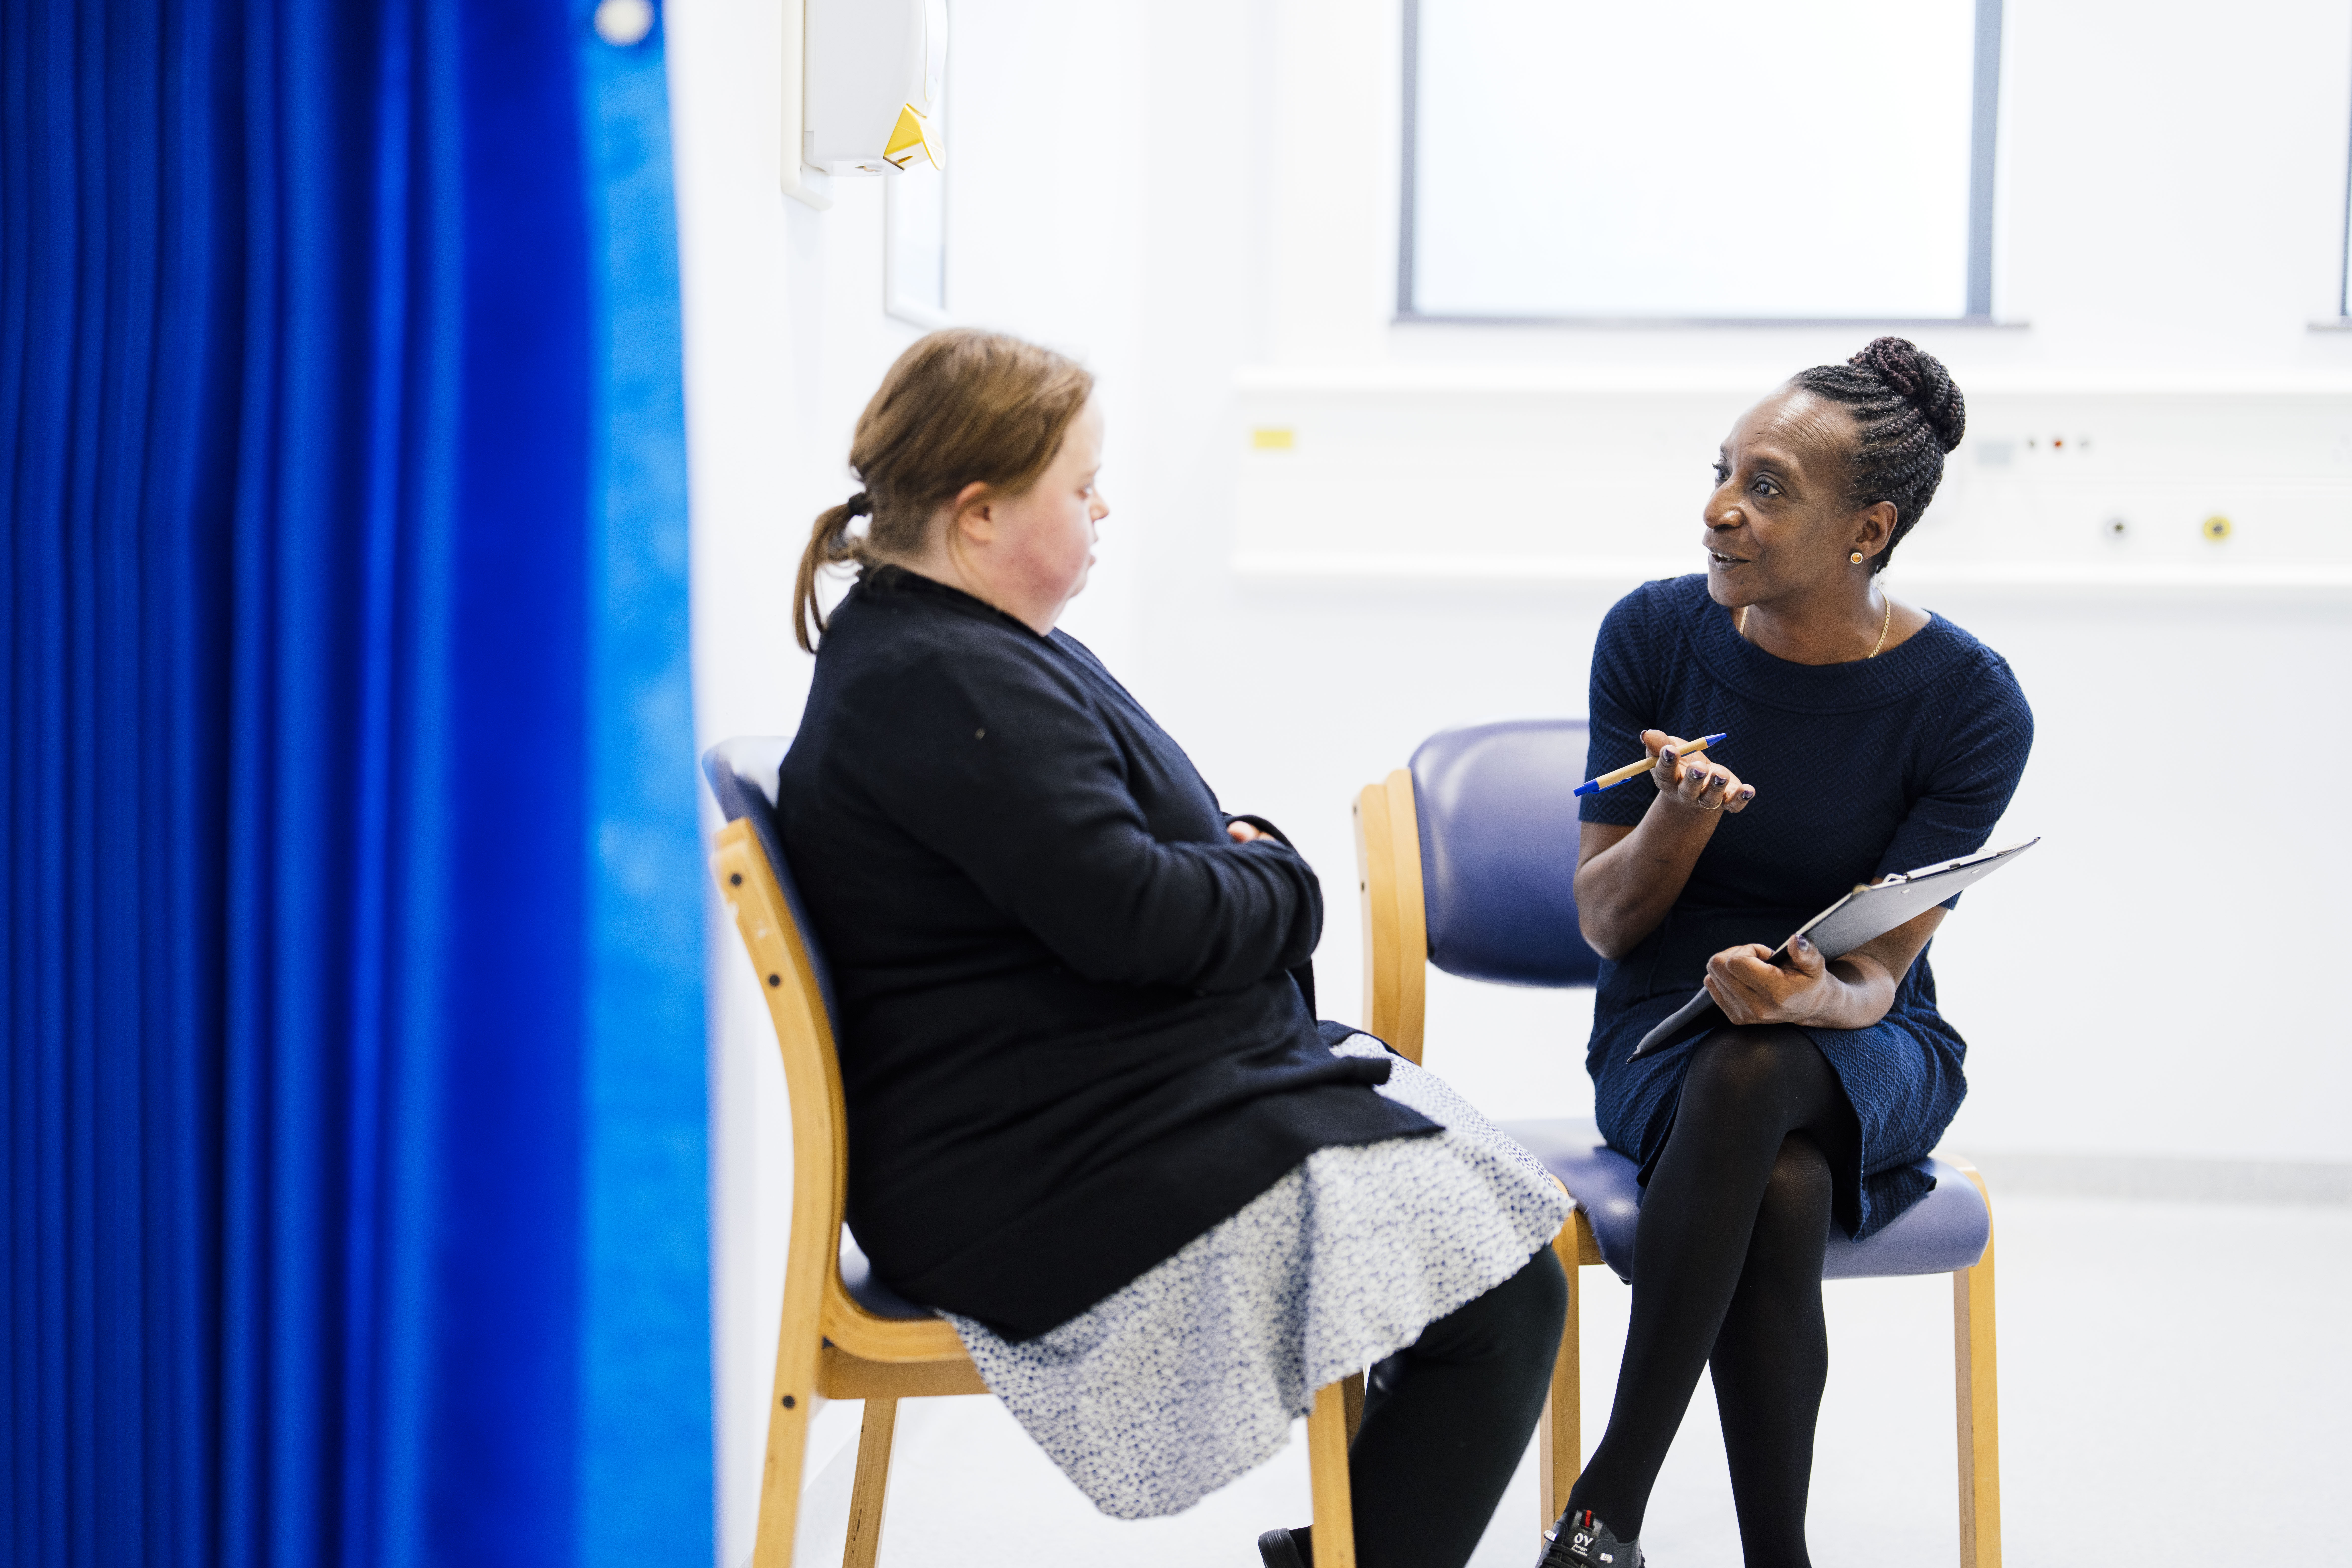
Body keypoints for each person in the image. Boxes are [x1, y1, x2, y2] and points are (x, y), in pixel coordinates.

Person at [776, 328, 1572, 1568]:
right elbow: (1139, 914)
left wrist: (1228, 868)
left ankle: (1347, 1549)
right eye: (1081, 486)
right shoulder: (945, 680)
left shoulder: (945, 648)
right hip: (1034, 1171)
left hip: (1069, 1107)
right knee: (1503, 1287)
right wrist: (1279, 877)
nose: (1105, 508)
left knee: (1486, 1229)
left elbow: (1132, 875)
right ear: (980, 515)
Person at [1543, 338, 2034, 1568]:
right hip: (1663, 1023)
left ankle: (1607, 1511)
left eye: (1767, 487)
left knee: (1759, 1068)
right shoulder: (1654, 635)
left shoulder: (1968, 701)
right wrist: (1684, 812)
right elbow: (1607, 924)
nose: (1720, 509)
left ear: (1868, 530)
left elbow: (1882, 972)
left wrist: (1815, 997)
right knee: (1779, 1178)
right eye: (1724, 472)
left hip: (1867, 1040)